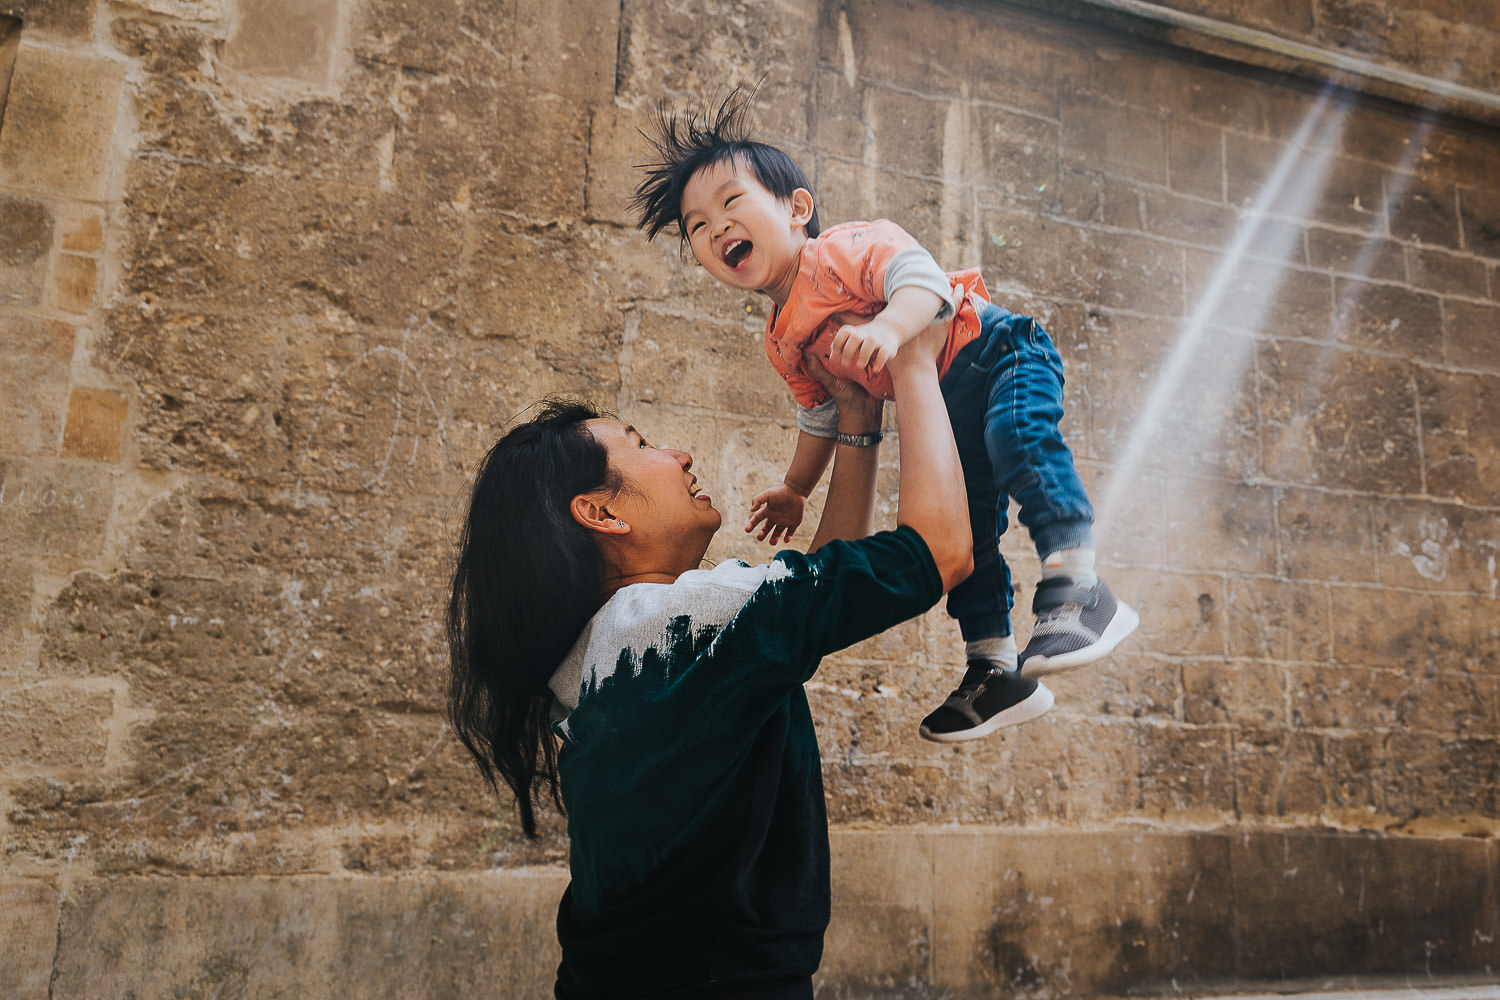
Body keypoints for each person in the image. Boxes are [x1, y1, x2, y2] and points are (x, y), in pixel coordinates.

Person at [447, 323, 977, 999]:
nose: (681, 455)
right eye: (642, 447)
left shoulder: (598, 656)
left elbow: (807, 596)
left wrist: (855, 419)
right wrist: (915, 362)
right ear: (601, 513)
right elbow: (939, 553)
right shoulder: (684, 627)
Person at [631, 90, 1139, 742]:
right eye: (697, 227)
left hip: (995, 352)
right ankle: (992, 666)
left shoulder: (840, 251)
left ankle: (1079, 583)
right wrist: (795, 488)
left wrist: (891, 330)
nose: (717, 228)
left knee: (1017, 439)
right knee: (970, 526)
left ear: (797, 210)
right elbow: (819, 415)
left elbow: (924, 282)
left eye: (732, 203)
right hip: (946, 395)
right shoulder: (781, 338)